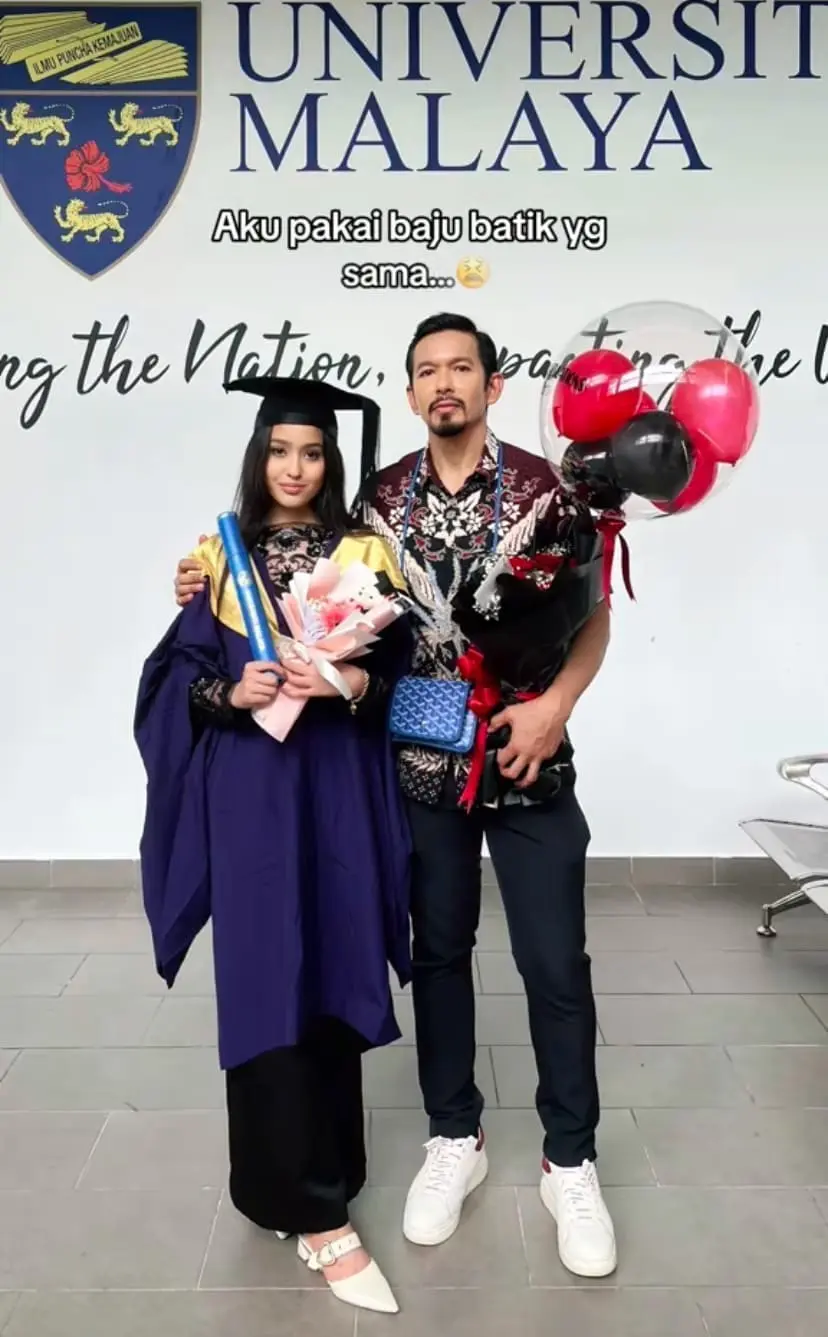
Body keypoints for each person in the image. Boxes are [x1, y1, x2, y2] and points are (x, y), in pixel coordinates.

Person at [173, 314, 618, 1280]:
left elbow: (594, 614)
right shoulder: (373, 505)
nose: (444, 383)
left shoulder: (550, 490)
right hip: (420, 765)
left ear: (494, 385)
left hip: (529, 756)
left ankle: (570, 1158)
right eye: (427, 371)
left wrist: (558, 707)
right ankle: (453, 1136)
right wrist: (202, 581)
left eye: (462, 367)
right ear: (412, 392)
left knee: (555, 962)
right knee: (440, 954)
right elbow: (304, 596)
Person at [135, 375, 413, 1316]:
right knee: (265, 973)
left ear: (331, 463)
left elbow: (399, 671)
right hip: (253, 794)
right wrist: (231, 694)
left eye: (313, 452)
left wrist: (348, 683)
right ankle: (305, 1207)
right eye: (279, 452)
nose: (294, 468)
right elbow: (176, 679)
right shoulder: (219, 557)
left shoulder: (365, 550)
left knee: (331, 960)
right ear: (259, 461)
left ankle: (325, 1168)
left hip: (333, 786)